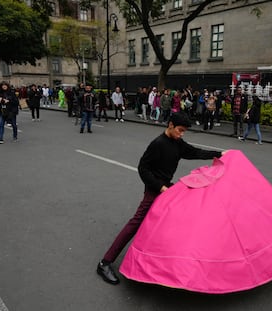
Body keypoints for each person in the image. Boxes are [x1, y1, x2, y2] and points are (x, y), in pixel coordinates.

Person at [96, 112, 227, 285]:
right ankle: (104, 263)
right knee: (135, 224)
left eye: (184, 132)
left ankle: (164, 262)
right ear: (170, 125)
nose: (181, 134)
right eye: (180, 130)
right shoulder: (158, 144)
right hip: (154, 189)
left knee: (177, 218)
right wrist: (160, 187)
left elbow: (195, 152)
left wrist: (221, 154)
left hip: (167, 188)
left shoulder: (178, 143)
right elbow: (143, 168)